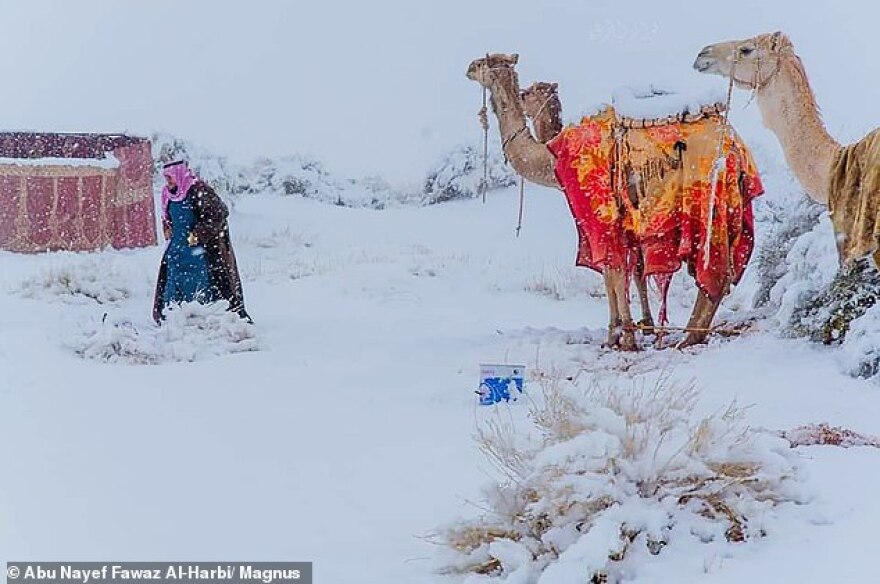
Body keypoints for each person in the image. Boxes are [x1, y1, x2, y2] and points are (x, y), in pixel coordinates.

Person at [152, 160, 251, 324]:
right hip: (176, 248)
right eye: (166, 178)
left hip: (196, 250)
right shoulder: (167, 194)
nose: (168, 181)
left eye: (170, 177)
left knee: (198, 282)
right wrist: (167, 227)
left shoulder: (198, 190)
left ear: (179, 175)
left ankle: (201, 318)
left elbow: (219, 213)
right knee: (173, 281)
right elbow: (167, 216)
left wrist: (198, 234)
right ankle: (172, 318)